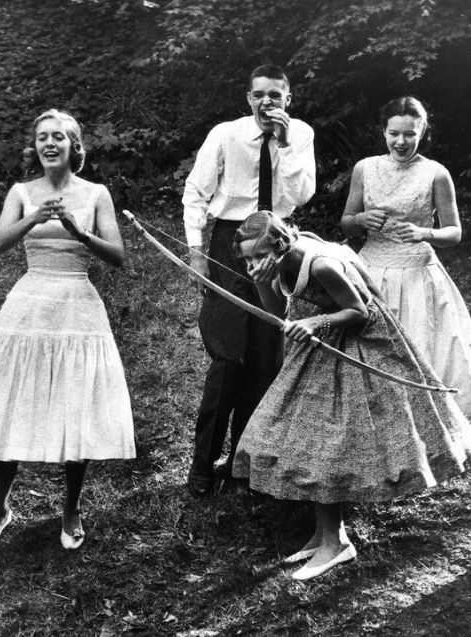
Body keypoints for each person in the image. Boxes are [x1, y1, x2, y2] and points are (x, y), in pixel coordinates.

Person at [232, 211, 471, 581]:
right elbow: (276, 311)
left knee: (329, 443)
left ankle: (337, 544)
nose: (252, 265)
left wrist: (316, 321)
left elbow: (361, 312)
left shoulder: (322, 264)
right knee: (307, 437)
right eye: (246, 260)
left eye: (257, 257)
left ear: (281, 246)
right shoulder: (279, 262)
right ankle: (324, 535)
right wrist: (263, 280)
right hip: (329, 341)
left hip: (365, 343)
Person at [0, 109, 135, 553]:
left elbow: (117, 254)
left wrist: (79, 231)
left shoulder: (96, 193)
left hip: (76, 304)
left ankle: (71, 507)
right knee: (11, 399)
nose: (49, 144)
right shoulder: (22, 191)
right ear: (35, 146)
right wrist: (34, 216)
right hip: (29, 303)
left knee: (74, 404)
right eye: (42, 137)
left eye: (59, 137)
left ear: (73, 146)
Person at [182, 64, 315, 496]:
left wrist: (286, 143)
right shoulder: (225, 134)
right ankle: (202, 465)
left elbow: (299, 197)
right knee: (226, 356)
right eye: (259, 95)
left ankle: (244, 461)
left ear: (288, 99)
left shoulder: (301, 136)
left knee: (265, 355)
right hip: (228, 242)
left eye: (275, 95)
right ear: (248, 97)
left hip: (277, 242)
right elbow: (196, 193)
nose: (267, 103)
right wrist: (197, 254)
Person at [341, 96, 471, 418]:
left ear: (422, 131)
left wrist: (425, 233)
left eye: (410, 134)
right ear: (383, 131)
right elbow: (346, 220)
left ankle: (428, 421)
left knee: (421, 349)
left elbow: (454, 231)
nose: (401, 141)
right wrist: (359, 221)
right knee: (369, 350)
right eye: (394, 133)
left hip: (418, 274)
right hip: (370, 269)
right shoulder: (365, 168)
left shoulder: (435, 173)